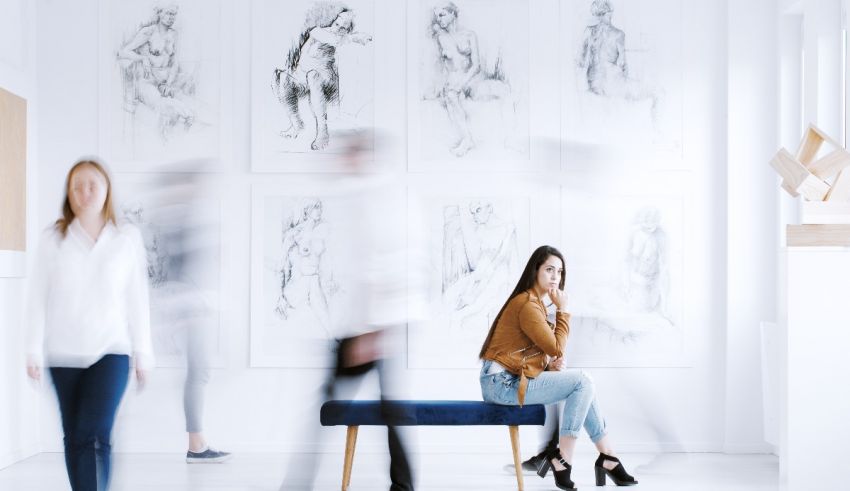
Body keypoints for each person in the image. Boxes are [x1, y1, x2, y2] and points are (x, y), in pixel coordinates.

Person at [25, 159, 155, 491]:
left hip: (112, 349)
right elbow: (37, 297)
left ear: (107, 189)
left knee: (91, 430)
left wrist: (144, 351)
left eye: (92, 185)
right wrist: (32, 349)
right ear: (68, 194)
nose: (85, 192)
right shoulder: (53, 239)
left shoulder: (126, 238)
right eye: (77, 186)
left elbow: (137, 298)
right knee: (76, 435)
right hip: (63, 354)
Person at [479, 245, 638, 489]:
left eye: (560, 271)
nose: (556, 276)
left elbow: (530, 354)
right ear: (535, 271)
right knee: (582, 381)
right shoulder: (527, 304)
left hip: (505, 382)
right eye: (549, 270)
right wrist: (563, 310)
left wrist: (548, 366)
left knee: (585, 385)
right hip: (501, 385)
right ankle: (565, 459)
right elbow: (556, 348)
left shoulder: (534, 303)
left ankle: (607, 456)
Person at [272, 5, 372, 150]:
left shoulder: (341, 39)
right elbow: (332, 39)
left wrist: (352, 38)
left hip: (324, 80)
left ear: (347, 30)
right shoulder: (318, 31)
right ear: (334, 21)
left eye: (343, 28)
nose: (337, 28)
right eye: (337, 24)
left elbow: (337, 44)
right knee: (282, 77)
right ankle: (296, 124)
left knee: (313, 75)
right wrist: (354, 37)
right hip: (302, 79)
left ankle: (322, 132)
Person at [428, 2, 512, 157]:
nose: (439, 19)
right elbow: (442, 68)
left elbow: (476, 66)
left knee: (504, 89)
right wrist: (446, 86)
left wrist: (463, 83)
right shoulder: (441, 38)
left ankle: (511, 138)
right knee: (450, 96)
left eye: (442, 15)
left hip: (471, 80)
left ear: (453, 14)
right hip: (453, 83)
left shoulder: (470, 35)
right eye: (437, 16)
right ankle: (467, 140)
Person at [117, 3, 195, 138]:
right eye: (168, 13)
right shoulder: (148, 32)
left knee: (183, 97)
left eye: (174, 14)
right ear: (159, 13)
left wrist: (168, 84)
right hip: (147, 80)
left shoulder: (174, 35)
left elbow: (175, 63)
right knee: (161, 104)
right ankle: (187, 115)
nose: (171, 17)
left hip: (165, 81)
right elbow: (123, 52)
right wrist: (142, 58)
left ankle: (181, 123)